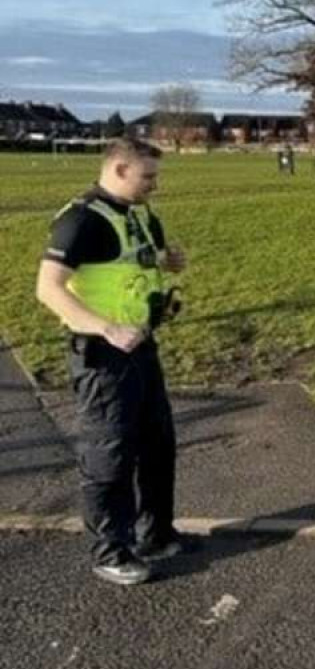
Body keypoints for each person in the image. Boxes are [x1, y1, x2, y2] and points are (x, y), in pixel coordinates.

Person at [36, 138, 190, 586]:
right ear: (119, 170)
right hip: (103, 357)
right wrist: (105, 327)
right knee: (110, 455)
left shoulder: (141, 215)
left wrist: (168, 262)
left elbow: (135, 264)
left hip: (142, 347)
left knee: (158, 445)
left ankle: (156, 534)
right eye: (148, 177)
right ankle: (110, 551)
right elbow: (48, 289)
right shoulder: (81, 220)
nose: (155, 186)